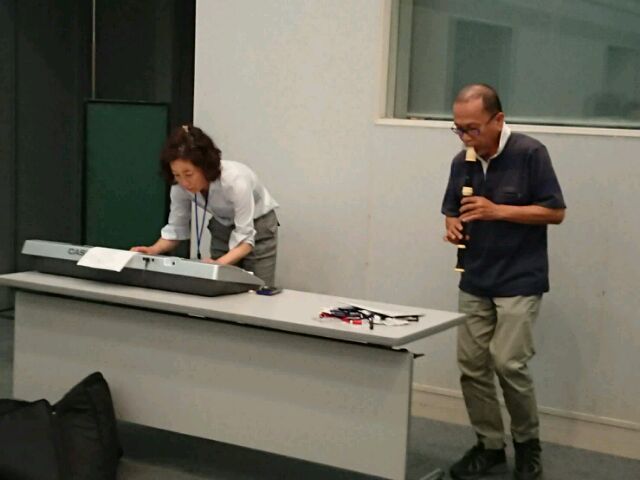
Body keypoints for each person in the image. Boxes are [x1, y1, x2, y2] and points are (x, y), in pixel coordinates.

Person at [441, 84, 566, 480]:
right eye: (458, 129)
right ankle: (489, 445)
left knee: (508, 363)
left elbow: (555, 212)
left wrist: (498, 211)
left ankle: (528, 446)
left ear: (498, 119)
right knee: (471, 366)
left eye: (472, 128)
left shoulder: (531, 153)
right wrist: (453, 225)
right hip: (475, 276)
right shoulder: (462, 161)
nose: (465, 137)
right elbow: (451, 210)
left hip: (519, 277)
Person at [132, 125, 279, 285]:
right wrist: (153, 250)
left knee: (258, 287)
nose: (184, 182)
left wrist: (218, 265)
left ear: (205, 166)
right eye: (177, 175)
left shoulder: (235, 181)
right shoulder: (179, 187)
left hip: (259, 226)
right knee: (220, 286)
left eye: (189, 174)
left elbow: (246, 241)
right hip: (222, 225)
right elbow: (176, 228)